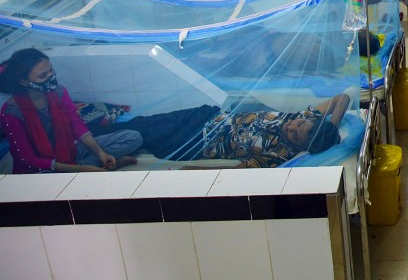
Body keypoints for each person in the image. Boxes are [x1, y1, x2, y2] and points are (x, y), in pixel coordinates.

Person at [107, 94, 351, 168]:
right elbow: (342, 98)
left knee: (146, 135)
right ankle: (90, 138)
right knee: (143, 123)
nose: (292, 126)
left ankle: (90, 154)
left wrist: (189, 170)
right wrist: (332, 124)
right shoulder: (305, 119)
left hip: (197, 143)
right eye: (298, 125)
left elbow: (236, 169)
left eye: (296, 134)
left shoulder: (277, 156)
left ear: (300, 147)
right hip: (208, 115)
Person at [0, 48, 143, 173]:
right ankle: (91, 168)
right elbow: (28, 159)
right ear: (24, 82)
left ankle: (95, 166)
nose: (50, 76)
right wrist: (79, 169)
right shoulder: (11, 112)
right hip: (44, 166)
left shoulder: (59, 92)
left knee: (133, 137)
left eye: (51, 70)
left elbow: (77, 127)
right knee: (47, 182)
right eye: (42, 76)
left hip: (71, 150)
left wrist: (100, 153)